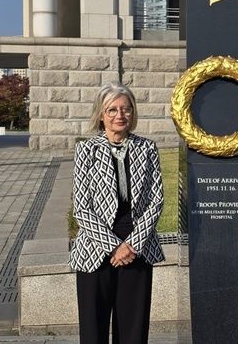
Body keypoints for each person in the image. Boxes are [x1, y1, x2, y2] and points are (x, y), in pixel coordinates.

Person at [69, 82, 164, 344]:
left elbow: (156, 201)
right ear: (100, 114)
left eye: (126, 109)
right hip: (95, 248)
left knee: (133, 330)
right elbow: (81, 207)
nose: (119, 115)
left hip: (138, 246)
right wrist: (114, 247)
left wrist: (131, 244)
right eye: (111, 110)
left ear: (133, 113)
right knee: (93, 329)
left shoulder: (147, 148)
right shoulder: (86, 150)